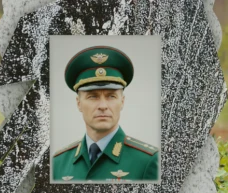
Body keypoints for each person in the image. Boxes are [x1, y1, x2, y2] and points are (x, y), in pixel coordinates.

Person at [52, 45, 159, 182]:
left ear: (122, 102)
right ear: (79, 103)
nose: (103, 106)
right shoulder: (58, 163)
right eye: (93, 96)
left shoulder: (147, 161)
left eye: (111, 96)